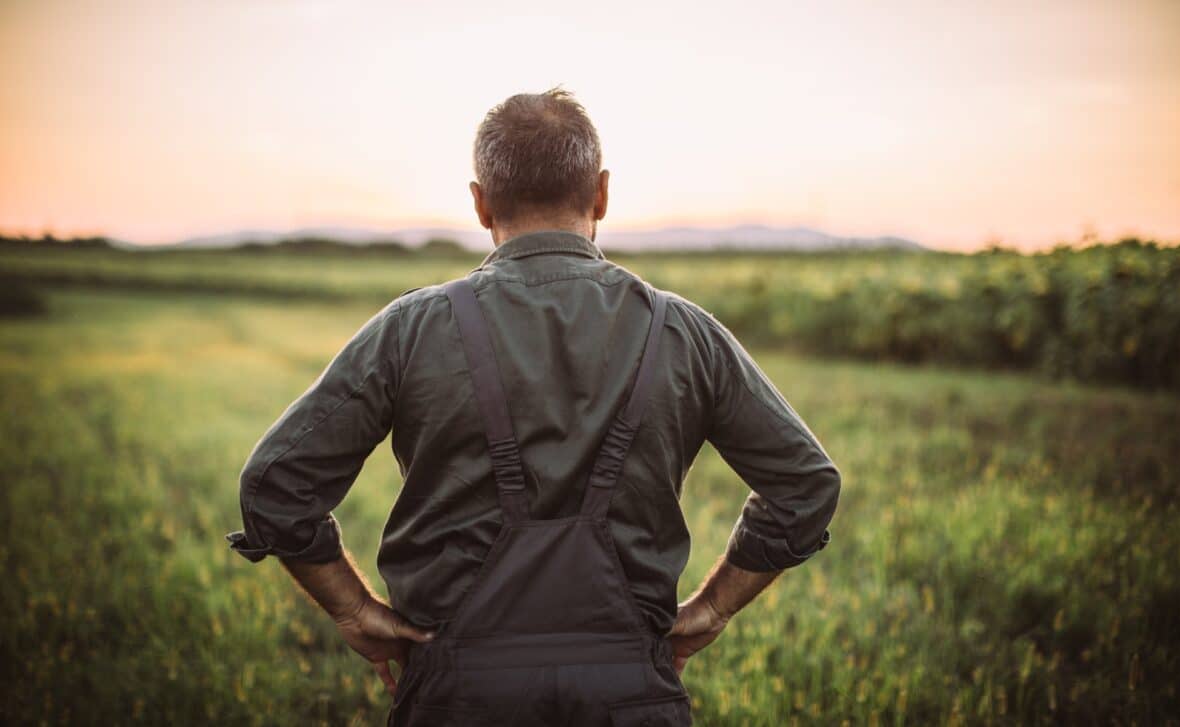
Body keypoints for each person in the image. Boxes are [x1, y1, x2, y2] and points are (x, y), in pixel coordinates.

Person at [224, 87, 841, 726]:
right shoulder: (683, 333)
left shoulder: (412, 328)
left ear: (480, 202)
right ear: (601, 194)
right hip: (631, 696)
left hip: (458, 695)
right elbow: (804, 485)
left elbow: (276, 485)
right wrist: (712, 609)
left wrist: (353, 609)